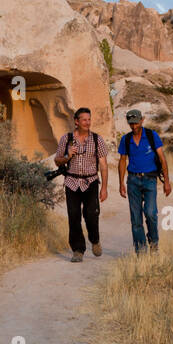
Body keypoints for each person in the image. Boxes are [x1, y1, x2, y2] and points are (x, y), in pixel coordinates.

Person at [53, 108, 108, 262]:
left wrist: (104, 188)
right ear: (76, 121)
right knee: (74, 216)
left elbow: (103, 165)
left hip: (90, 182)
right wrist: (67, 155)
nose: (87, 123)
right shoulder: (66, 139)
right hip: (72, 182)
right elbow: (57, 160)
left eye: (89, 119)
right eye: (84, 120)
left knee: (91, 215)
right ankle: (78, 250)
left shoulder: (97, 139)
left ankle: (95, 239)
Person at [117, 109, 171, 255]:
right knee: (135, 219)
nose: (133, 126)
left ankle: (154, 243)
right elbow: (122, 161)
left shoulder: (152, 136)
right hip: (133, 180)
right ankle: (140, 250)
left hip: (149, 180)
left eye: (136, 123)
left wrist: (167, 182)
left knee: (151, 213)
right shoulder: (125, 139)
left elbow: (162, 158)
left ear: (142, 120)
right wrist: (121, 183)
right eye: (131, 124)